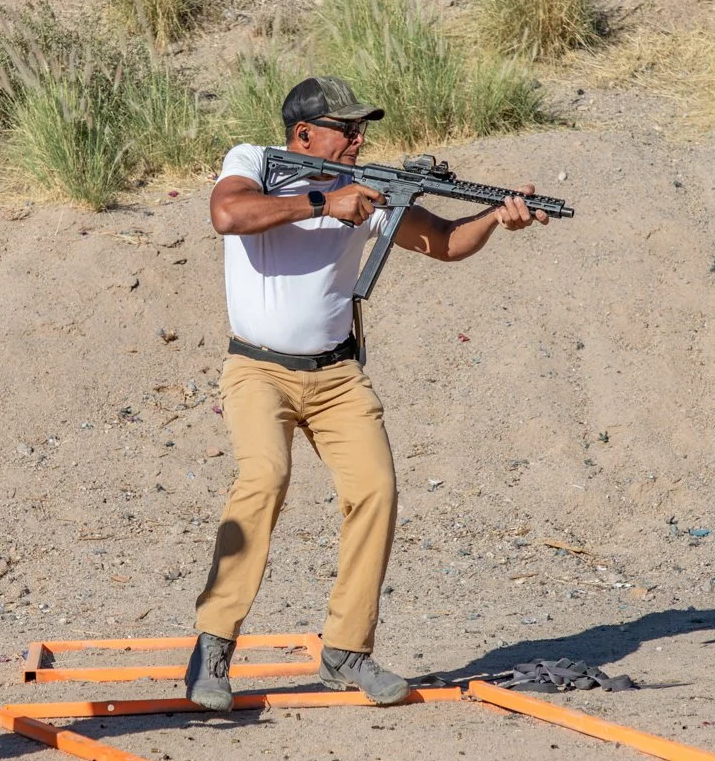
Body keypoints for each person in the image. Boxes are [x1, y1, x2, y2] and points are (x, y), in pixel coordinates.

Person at [184, 76, 548, 710]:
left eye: (361, 129)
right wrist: (325, 203)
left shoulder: (368, 192)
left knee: (376, 489)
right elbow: (228, 215)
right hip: (257, 370)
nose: (358, 139)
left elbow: (446, 242)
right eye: (346, 129)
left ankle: (346, 650)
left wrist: (496, 215)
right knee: (264, 479)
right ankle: (213, 646)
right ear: (303, 134)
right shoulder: (253, 163)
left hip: (337, 376)